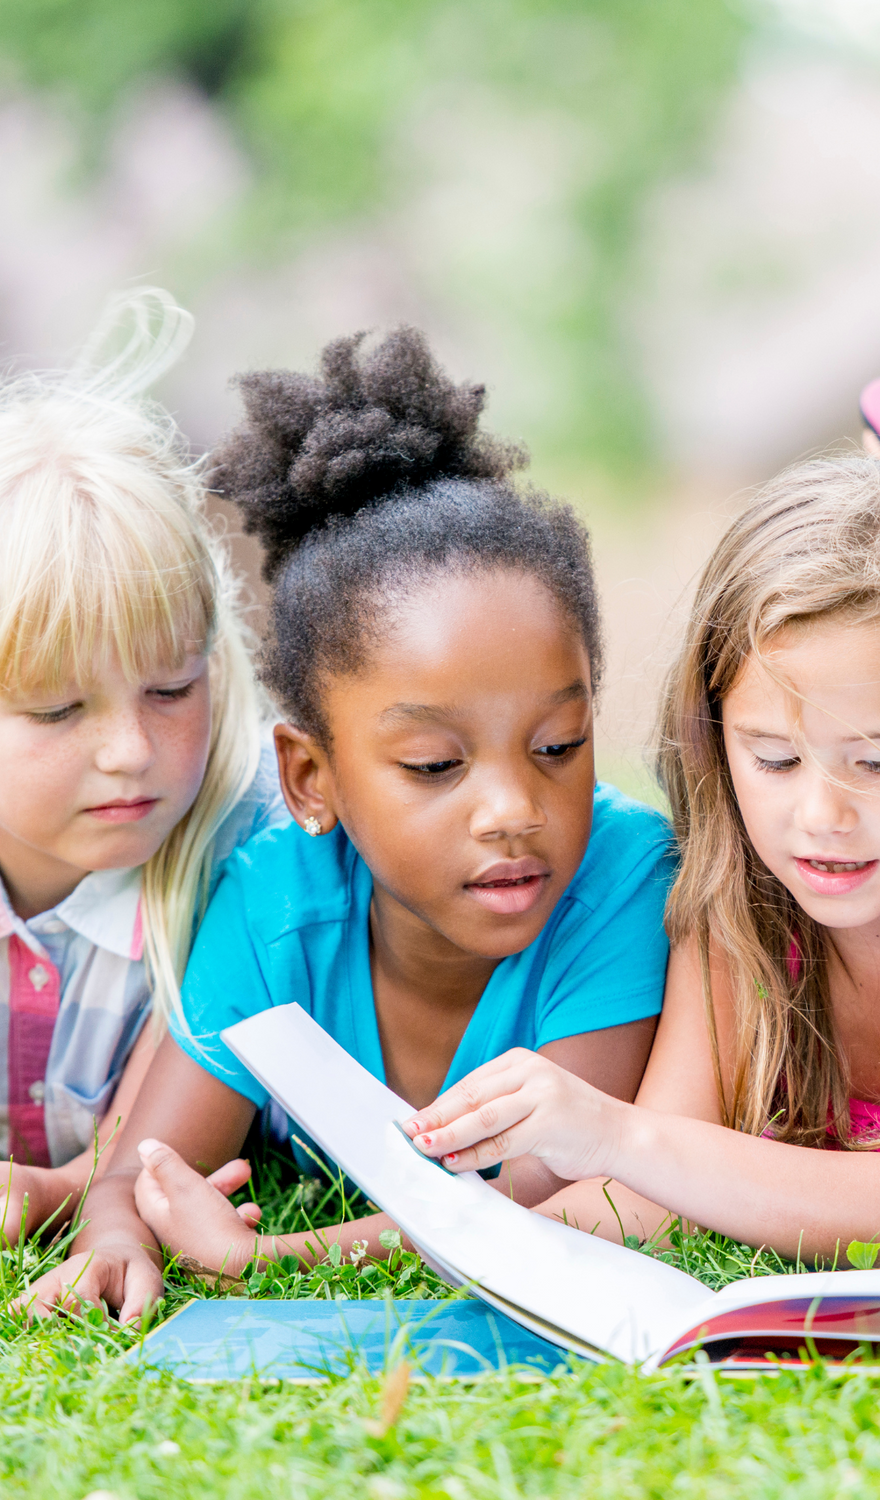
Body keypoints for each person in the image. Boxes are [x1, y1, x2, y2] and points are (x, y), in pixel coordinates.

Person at [285, 453, 880, 1268]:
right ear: (714, 734)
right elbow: (645, 1197)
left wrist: (617, 1136)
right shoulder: (740, 899)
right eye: (773, 758)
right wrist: (286, 1255)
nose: (819, 817)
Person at [23, 327, 674, 1321]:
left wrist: (275, 1259)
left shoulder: (623, 879)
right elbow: (145, 1165)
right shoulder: (271, 897)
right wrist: (115, 1231)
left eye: (557, 747)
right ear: (311, 778)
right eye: (435, 766)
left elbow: (530, 1192)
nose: (512, 811)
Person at [0, 289, 284, 1245]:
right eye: (56, 708)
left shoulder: (247, 848)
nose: (130, 752)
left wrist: (58, 1191)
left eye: (170, 689)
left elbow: (145, 1165)